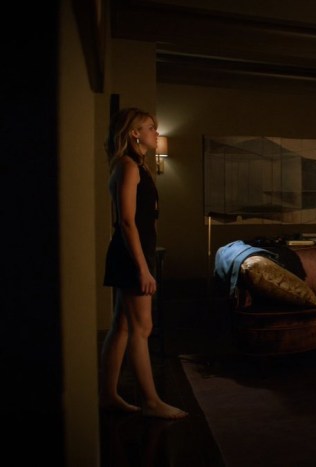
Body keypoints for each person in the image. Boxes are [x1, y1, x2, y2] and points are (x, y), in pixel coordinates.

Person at [99, 108, 188, 419]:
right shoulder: (127, 166)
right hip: (131, 256)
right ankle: (150, 402)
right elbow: (126, 221)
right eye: (150, 127)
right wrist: (142, 268)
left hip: (133, 252)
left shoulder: (136, 166)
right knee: (142, 327)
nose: (156, 132)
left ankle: (108, 396)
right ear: (134, 133)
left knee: (123, 326)